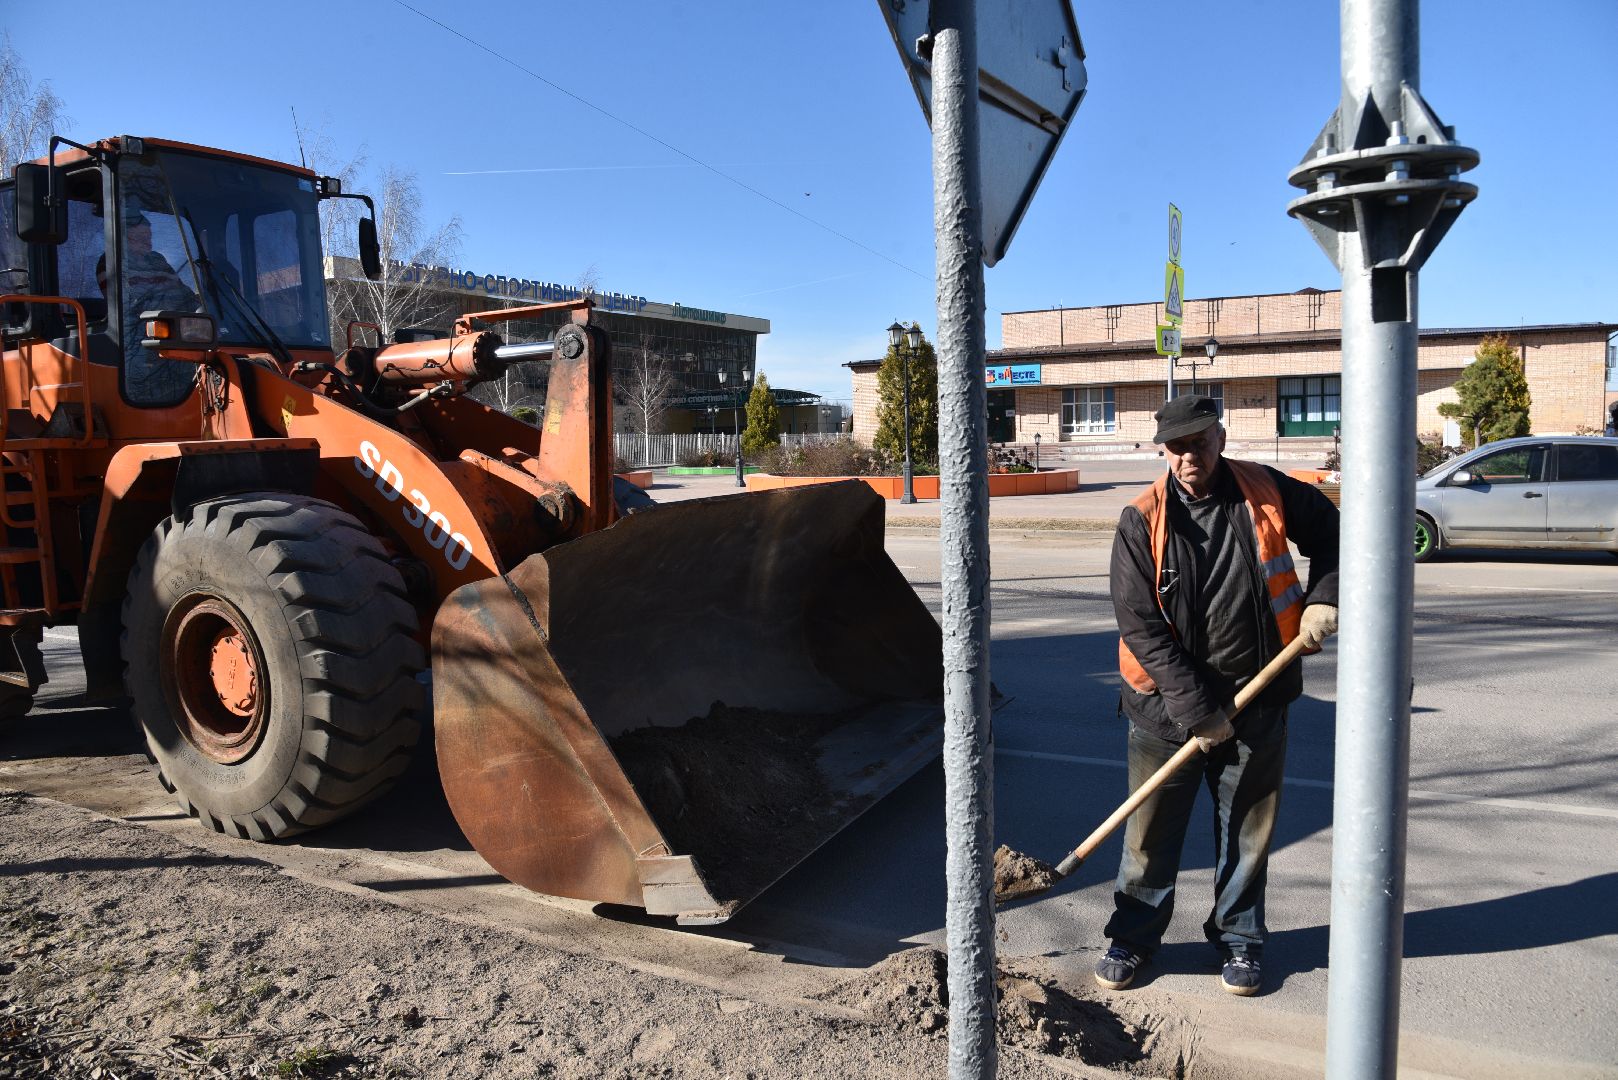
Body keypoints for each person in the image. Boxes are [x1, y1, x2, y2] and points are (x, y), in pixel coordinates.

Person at [1094, 394, 1339, 998]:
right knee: (1150, 831)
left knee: (1248, 831)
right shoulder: (1141, 518)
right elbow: (1140, 626)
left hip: (1258, 697)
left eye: (1197, 444)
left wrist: (1325, 595)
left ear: (1220, 439)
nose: (1186, 458)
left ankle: (1240, 939)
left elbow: (1337, 532)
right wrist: (1200, 712)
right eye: (1174, 448)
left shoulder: (1266, 491)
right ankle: (1134, 935)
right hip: (1165, 708)